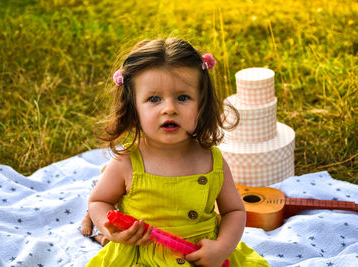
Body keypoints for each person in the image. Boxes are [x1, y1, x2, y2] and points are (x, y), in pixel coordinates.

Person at [86, 37, 269, 266]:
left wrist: (222, 248)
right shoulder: (127, 162)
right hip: (142, 256)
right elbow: (98, 201)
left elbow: (233, 211)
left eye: (183, 97)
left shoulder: (211, 160)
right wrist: (110, 230)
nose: (169, 108)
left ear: (201, 105)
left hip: (202, 254)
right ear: (134, 108)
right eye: (154, 99)